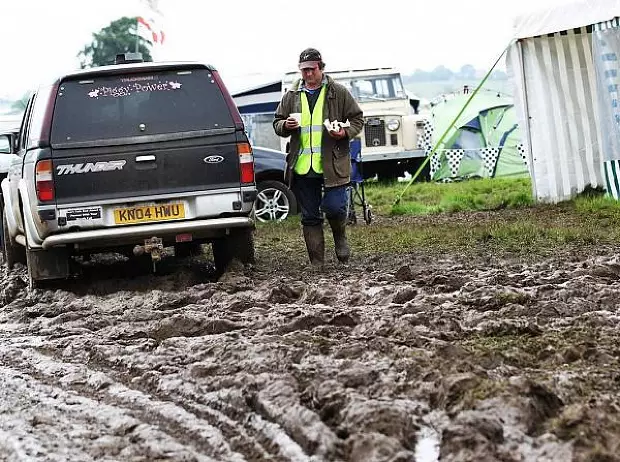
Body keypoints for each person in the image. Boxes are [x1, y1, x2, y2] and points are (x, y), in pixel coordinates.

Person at [273, 48, 364, 267]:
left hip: (333, 164)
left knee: (334, 208)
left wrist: (343, 132)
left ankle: (340, 240)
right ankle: (317, 263)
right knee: (310, 217)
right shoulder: (291, 96)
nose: (307, 74)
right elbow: (277, 123)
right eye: (303, 70)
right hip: (303, 167)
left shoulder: (339, 92)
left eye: (311, 69)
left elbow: (357, 120)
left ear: (321, 68)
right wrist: (285, 125)